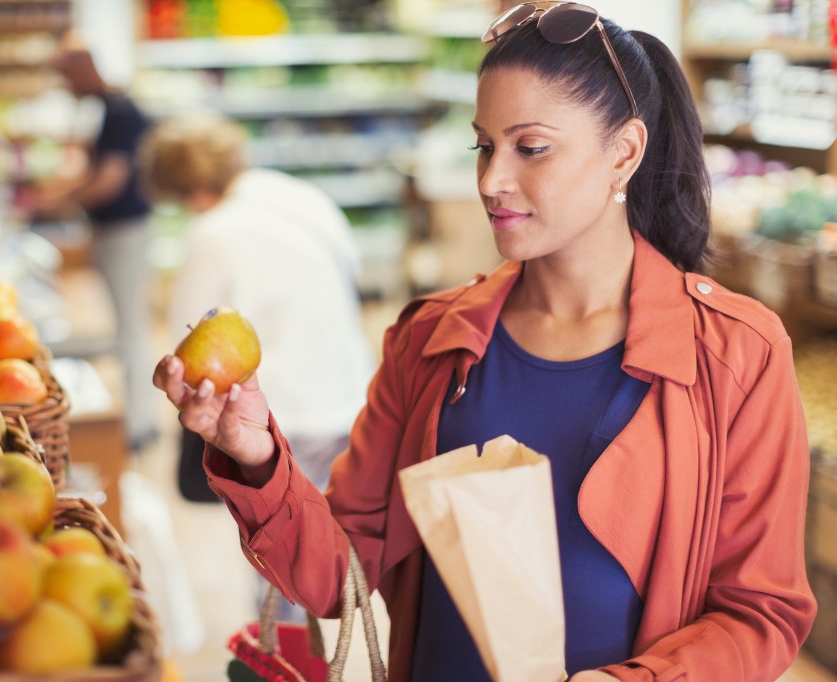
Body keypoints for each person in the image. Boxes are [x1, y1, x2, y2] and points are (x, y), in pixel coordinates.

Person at [152, 3, 818, 680]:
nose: (492, 180)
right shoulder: (432, 341)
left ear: (624, 153)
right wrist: (257, 457)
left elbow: (759, 611)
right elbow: (337, 578)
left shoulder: (736, 355)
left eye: (530, 147)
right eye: (484, 145)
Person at [138, 113, 377, 618]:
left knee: (283, 554)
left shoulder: (213, 233)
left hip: (284, 410)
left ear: (191, 188)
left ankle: (285, 662)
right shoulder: (298, 197)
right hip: (351, 392)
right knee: (336, 549)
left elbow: (188, 346)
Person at [25, 39, 159, 452]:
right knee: (122, 325)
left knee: (128, 327)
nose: (66, 86)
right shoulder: (107, 110)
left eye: (67, 76)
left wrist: (56, 202)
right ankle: (135, 421)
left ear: (84, 69)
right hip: (114, 230)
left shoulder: (121, 113)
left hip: (126, 231)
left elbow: (108, 182)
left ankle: (139, 426)